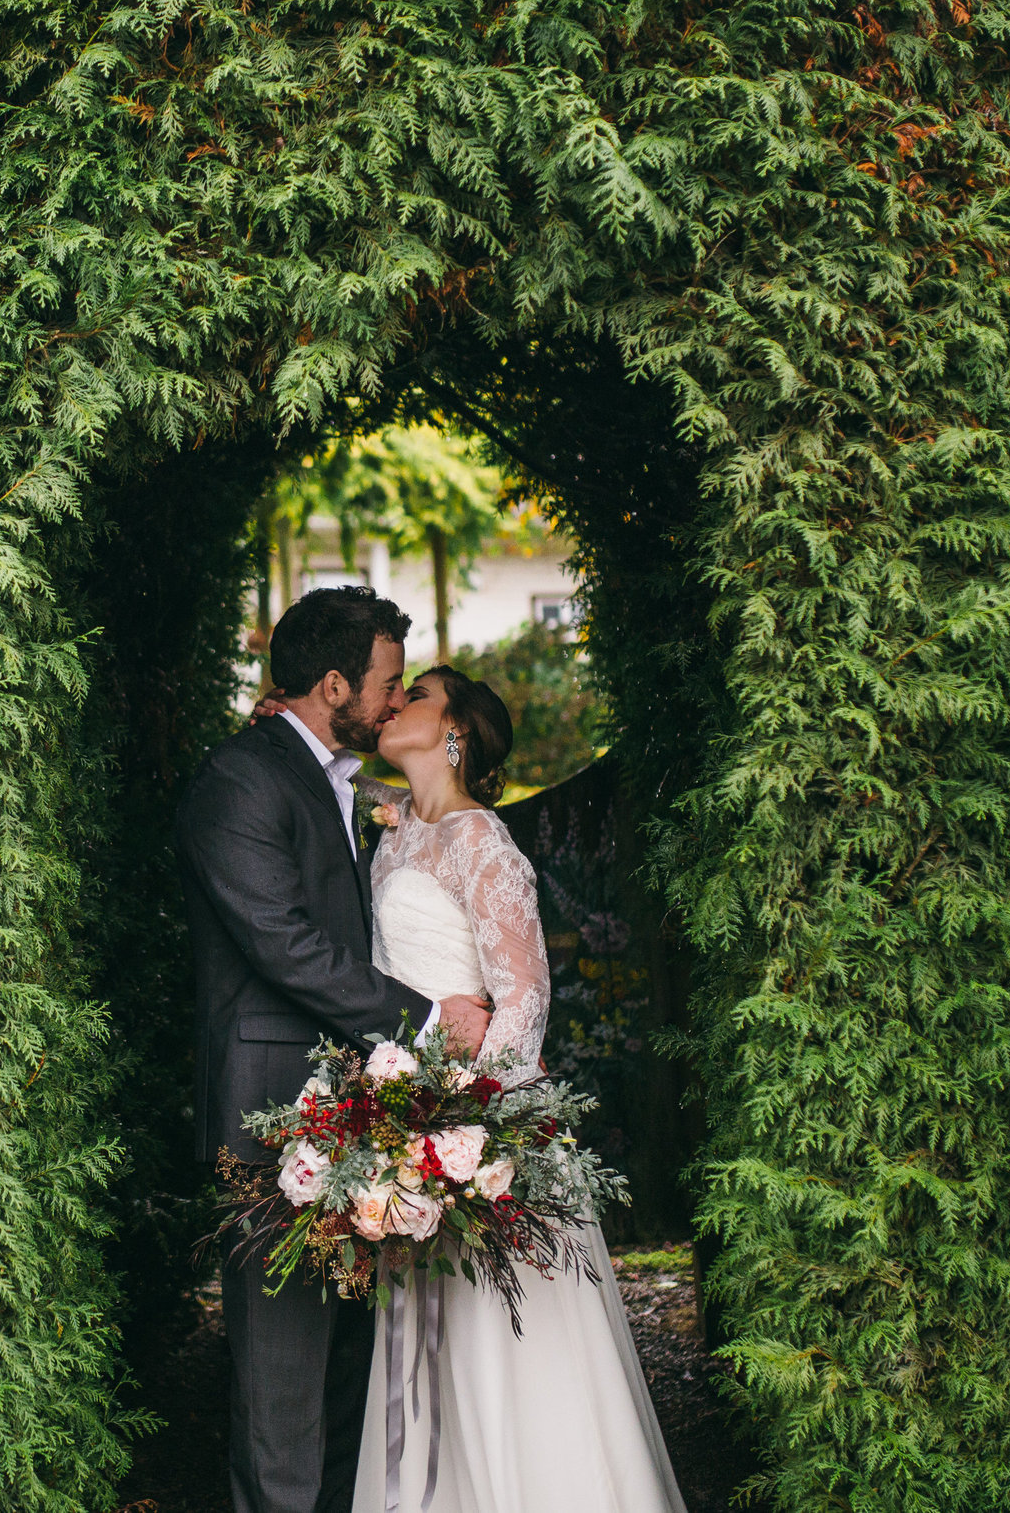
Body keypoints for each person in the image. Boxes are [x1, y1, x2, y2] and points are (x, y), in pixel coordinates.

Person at [333, 665, 688, 1513]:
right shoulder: (398, 834)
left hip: (482, 1131)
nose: (394, 704)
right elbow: (364, 787)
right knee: (430, 1352)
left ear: (454, 731)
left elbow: (524, 993)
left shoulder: (483, 840)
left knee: (504, 1351)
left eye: (415, 695)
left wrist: (475, 1125)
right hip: (408, 1128)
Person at [177, 586, 496, 1513]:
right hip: (270, 1127)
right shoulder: (238, 778)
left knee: (351, 1388)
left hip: (359, 1121)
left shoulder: (338, 779)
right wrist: (428, 1020)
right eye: (388, 684)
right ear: (331, 684)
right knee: (280, 1399)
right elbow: (282, 941)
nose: (397, 702)